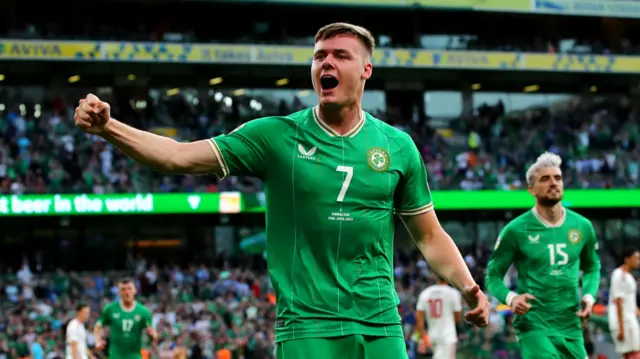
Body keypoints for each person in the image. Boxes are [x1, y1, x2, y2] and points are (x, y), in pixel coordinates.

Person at [75, 22, 489, 359]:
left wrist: (468, 286)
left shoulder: (398, 146)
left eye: (340, 55)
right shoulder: (275, 136)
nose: (326, 62)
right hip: (307, 326)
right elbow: (177, 157)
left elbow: (430, 236)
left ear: (366, 70)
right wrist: (109, 128)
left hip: (381, 323)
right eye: (319, 56)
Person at [485, 152, 601, 359]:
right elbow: (493, 275)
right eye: (545, 179)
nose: (553, 183)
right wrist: (511, 298)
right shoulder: (516, 230)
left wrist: (589, 296)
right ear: (531, 189)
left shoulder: (582, 226)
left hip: (571, 324)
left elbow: (592, 266)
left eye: (558, 178)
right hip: (534, 323)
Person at [94, 278, 157, 359]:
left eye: (129, 289)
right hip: (115, 356)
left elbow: (153, 334)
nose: (127, 292)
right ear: (119, 292)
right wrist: (97, 341)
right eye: (123, 289)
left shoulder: (143, 311)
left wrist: (152, 335)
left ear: (135, 290)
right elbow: (98, 325)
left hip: (135, 356)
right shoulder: (110, 309)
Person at [415, 275, 462, 359]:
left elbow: (419, 319)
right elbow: (458, 318)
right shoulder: (453, 293)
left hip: (432, 335)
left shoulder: (425, 293)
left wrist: (423, 336)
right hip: (447, 336)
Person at [608, 247, 640, 359]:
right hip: (623, 322)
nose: (638, 261)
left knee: (631, 354)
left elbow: (630, 302)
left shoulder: (629, 276)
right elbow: (618, 301)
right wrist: (621, 328)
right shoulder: (618, 275)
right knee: (634, 354)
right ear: (627, 259)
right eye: (636, 258)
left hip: (630, 319)